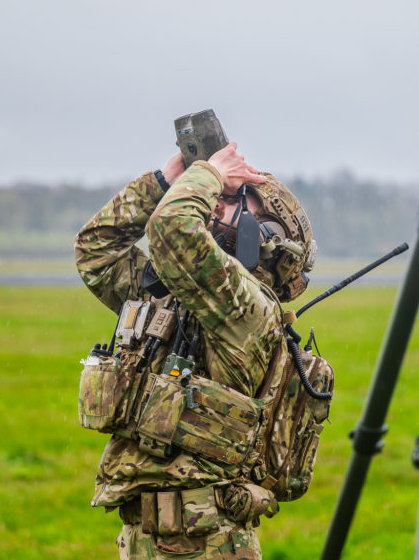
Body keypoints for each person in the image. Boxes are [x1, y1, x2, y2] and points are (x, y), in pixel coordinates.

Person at [75, 142, 316, 560]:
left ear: (264, 238)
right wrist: (163, 182)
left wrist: (208, 173)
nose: (211, 206)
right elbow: (96, 251)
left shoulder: (248, 310)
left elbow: (171, 231)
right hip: (148, 539)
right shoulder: (180, 299)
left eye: (230, 202)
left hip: (207, 545)